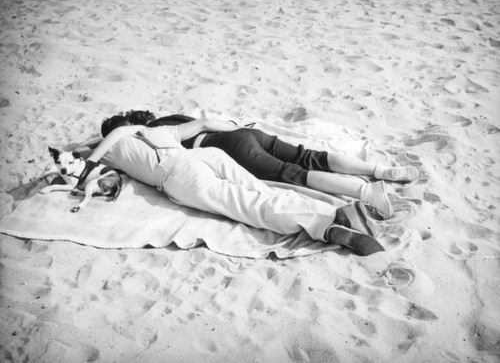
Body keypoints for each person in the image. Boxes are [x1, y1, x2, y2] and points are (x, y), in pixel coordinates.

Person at [87, 116, 385, 256]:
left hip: (178, 177)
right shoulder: (159, 129)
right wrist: (239, 128)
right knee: (262, 191)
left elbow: (88, 160)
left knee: (249, 205)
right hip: (204, 155)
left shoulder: (112, 145)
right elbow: (204, 123)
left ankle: (326, 226)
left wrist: (90, 159)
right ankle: (335, 213)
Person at [99, 110, 420, 219]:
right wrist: (240, 129)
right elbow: (210, 120)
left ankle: (367, 193)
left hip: (227, 147)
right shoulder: (173, 119)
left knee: (295, 175)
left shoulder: (145, 136)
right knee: (308, 155)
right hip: (244, 132)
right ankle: (379, 171)